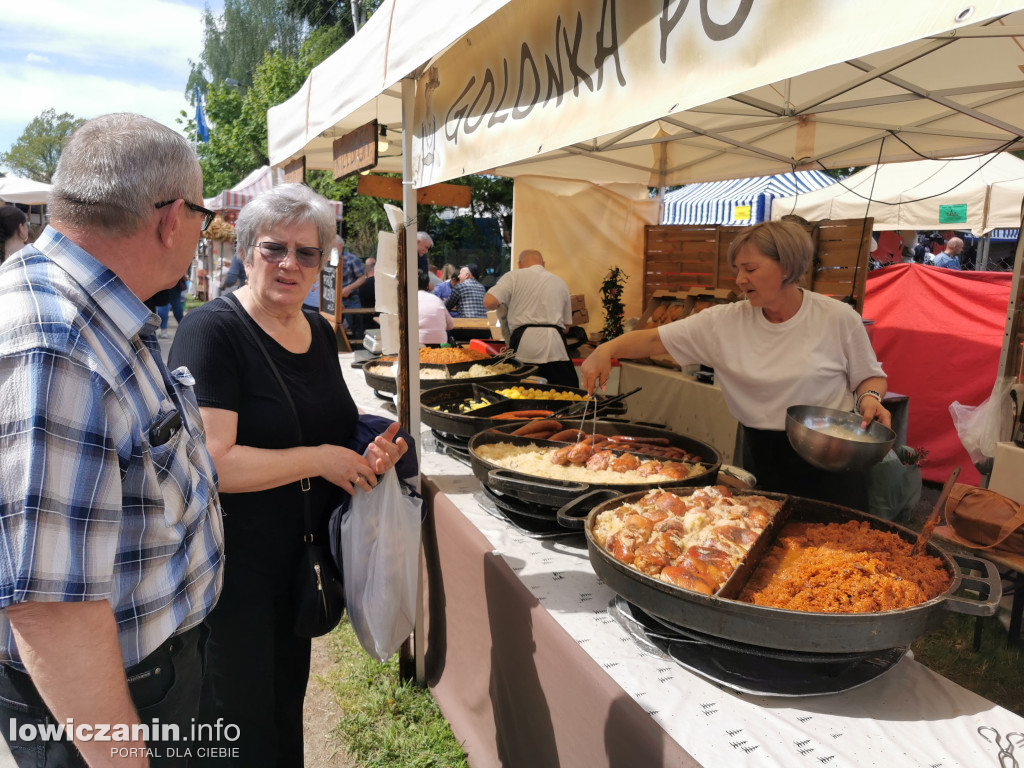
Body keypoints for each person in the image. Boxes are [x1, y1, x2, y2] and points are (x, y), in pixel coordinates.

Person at [0, 113, 224, 766]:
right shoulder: (57, 342)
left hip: (143, 679)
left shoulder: (97, 310)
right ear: (171, 219)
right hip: (108, 706)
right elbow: (50, 609)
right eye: (203, 214)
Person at [168, 183, 407, 767]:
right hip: (233, 573)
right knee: (238, 725)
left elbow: (330, 426)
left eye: (308, 253)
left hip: (301, 563)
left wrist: (366, 456)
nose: (290, 265)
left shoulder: (320, 331)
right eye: (275, 248)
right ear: (247, 250)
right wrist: (323, 459)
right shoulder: (213, 332)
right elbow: (214, 463)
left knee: (283, 713)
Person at [581, 220, 890, 512]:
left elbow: (869, 377)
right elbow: (654, 342)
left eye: (750, 268)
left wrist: (870, 399)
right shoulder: (725, 321)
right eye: (737, 269)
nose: (740, 279)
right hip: (762, 453)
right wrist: (607, 349)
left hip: (831, 454)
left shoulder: (836, 317)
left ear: (787, 266)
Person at [484, 249, 577, 387]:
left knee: (520, 390)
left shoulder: (513, 276)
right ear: (543, 264)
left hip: (524, 344)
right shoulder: (560, 282)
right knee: (565, 391)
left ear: (519, 264)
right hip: (556, 346)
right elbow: (567, 328)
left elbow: (489, 302)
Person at [338, 235, 366, 335]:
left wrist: (349, 288)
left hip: (351, 299)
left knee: (356, 328)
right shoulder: (326, 259)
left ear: (340, 245)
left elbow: (362, 278)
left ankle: (358, 348)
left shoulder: (352, 259)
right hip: (333, 301)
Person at [418, 268, 454, 344]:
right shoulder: (437, 300)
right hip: (440, 343)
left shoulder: (408, 300)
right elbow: (450, 325)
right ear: (428, 285)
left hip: (418, 343)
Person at [156, 274, 189, 338]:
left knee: (163, 303)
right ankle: (184, 327)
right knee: (176, 303)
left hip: (162, 278)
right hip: (175, 278)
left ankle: (163, 331)